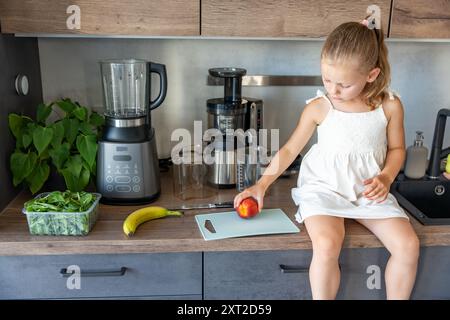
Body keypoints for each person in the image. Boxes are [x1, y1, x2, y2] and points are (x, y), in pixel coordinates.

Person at [233, 20, 420, 300]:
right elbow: (289, 150)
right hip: (324, 189)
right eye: (327, 79)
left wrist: (385, 177)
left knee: (408, 245)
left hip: (367, 192)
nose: (333, 90)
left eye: (343, 84)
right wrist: (261, 184)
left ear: (372, 75)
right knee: (327, 243)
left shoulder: (390, 105)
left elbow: (397, 150)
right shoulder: (319, 107)